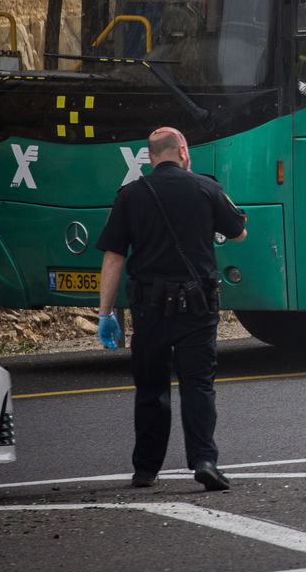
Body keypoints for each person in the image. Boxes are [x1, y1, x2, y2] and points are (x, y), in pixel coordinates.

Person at [96, 126, 248, 489]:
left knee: (151, 389)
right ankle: (204, 460)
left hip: (148, 308)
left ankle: (145, 469)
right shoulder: (206, 188)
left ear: (150, 157)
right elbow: (239, 232)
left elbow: (114, 257)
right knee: (198, 385)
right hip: (196, 306)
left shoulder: (130, 195)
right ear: (183, 151)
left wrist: (104, 313)